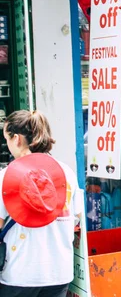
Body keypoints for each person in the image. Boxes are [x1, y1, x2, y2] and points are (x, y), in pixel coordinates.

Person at [0, 110, 81, 296]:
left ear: (17, 139)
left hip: (19, 274)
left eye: (7, 139)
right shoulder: (66, 173)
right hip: (59, 271)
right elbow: (76, 219)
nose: (8, 145)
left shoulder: (6, 177)